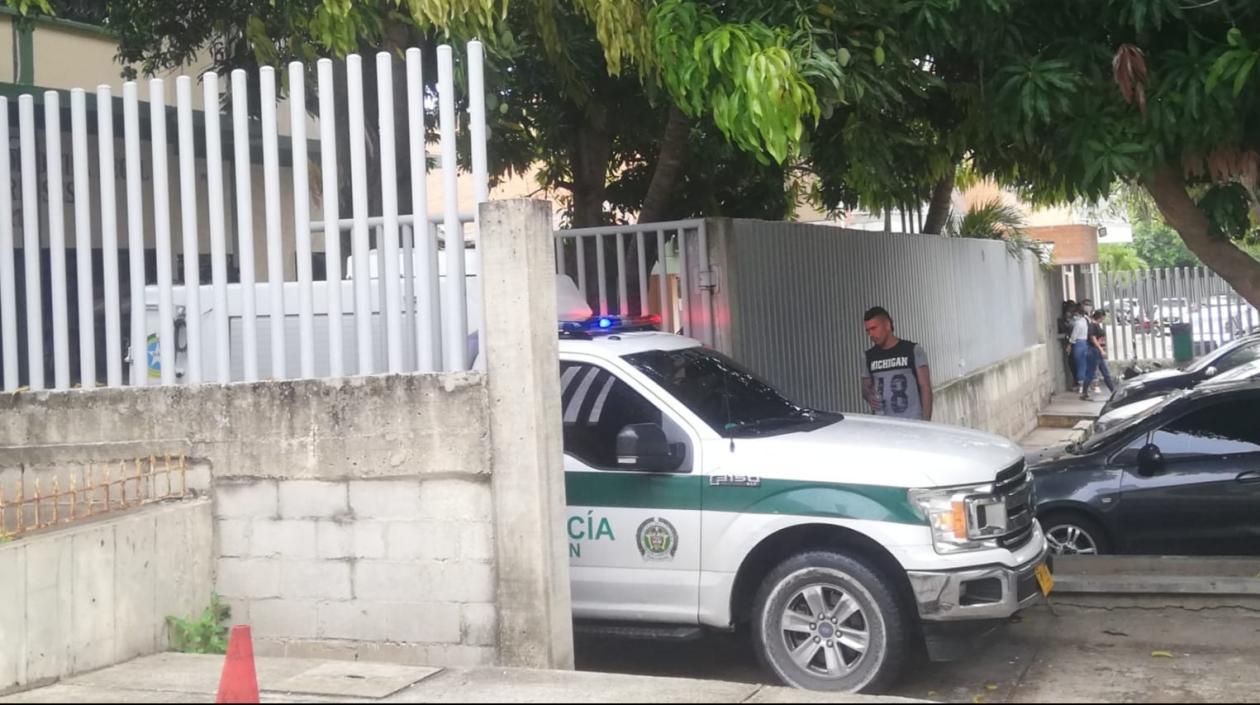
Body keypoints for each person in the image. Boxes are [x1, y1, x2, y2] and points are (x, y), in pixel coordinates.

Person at [861, 307, 932, 421]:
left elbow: (925, 387)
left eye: (874, 328)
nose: (871, 334)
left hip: (912, 421)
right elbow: (865, 387)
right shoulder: (868, 356)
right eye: (868, 331)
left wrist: (926, 422)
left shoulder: (913, 350)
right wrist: (869, 396)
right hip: (883, 424)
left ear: (887, 325)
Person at [1068, 304, 1096, 400]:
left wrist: (1070, 344)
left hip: (1078, 344)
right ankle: (1086, 385)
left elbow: (1074, 335)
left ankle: (1081, 385)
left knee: (1079, 364)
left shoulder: (1078, 323)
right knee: (1084, 364)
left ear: (1078, 313)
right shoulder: (1087, 321)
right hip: (1085, 343)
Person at [1088, 310, 1116, 395]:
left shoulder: (1096, 325)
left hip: (1098, 351)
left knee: (1105, 372)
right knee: (1095, 372)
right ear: (1100, 316)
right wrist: (1101, 349)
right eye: (1103, 317)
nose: (1104, 319)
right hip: (1095, 351)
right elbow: (1093, 339)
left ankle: (1113, 391)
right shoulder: (1092, 325)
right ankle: (1087, 390)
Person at [1057, 300, 1079, 391]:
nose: (1070, 312)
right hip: (1069, 345)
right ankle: (1075, 383)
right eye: (1069, 310)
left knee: (1076, 364)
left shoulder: (1076, 320)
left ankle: (1077, 382)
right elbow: (1060, 333)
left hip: (1076, 344)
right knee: (1072, 364)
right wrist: (1066, 336)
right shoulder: (1062, 321)